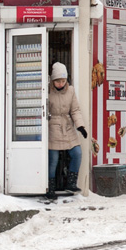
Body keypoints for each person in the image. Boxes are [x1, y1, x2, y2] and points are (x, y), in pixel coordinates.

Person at [47, 62, 87, 196]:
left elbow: (75, 110)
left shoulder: (71, 91)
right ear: (53, 80)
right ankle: (50, 188)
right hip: (53, 126)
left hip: (67, 126)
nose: (60, 84)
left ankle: (71, 184)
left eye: (63, 80)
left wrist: (80, 126)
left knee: (77, 153)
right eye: (57, 81)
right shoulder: (47, 90)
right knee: (53, 159)